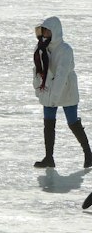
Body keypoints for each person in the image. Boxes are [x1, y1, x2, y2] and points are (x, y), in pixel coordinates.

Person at [32, 17, 92, 169]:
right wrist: (38, 89)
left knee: (73, 122)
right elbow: (37, 71)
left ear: (55, 31)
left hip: (66, 90)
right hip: (48, 89)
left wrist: (54, 96)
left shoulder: (66, 50)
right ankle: (49, 158)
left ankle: (89, 154)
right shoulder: (41, 48)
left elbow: (62, 75)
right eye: (43, 30)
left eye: (47, 30)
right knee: (48, 123)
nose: (44, 33)